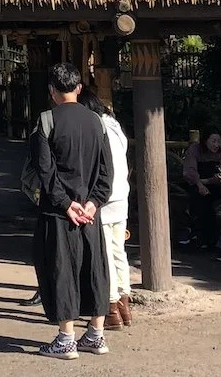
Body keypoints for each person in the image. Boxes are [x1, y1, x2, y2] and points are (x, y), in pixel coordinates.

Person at [29, 62, 113, 359]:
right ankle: (96, 334)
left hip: (58, 212)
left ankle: (66, 338)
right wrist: (92, 202)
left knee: (61, 270)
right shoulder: (97, 122)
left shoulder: (46, 121)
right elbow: (107, 173)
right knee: (95, 269)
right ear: (79, 88)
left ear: (52, 90)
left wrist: (66, 204)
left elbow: (45, 172)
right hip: (90, 212)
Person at [79, 89, 132, 329]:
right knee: (118, 250)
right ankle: (124, 302)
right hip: (122, 194)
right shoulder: (115, 125)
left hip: (104, 197)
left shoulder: (96, 127)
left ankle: (110, 307)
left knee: (105, 254)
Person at [180, 127, 221, 249]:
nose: (216, 144)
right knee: (199, 198)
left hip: (216, 185)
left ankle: (207, 237)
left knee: (211, 200)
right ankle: (197, 233)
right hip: (195, 183)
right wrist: (200, 184)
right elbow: (190, 170)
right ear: (205, 140)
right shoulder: (195, 149)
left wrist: (210, 181)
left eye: (218, 141)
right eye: (213, 141)